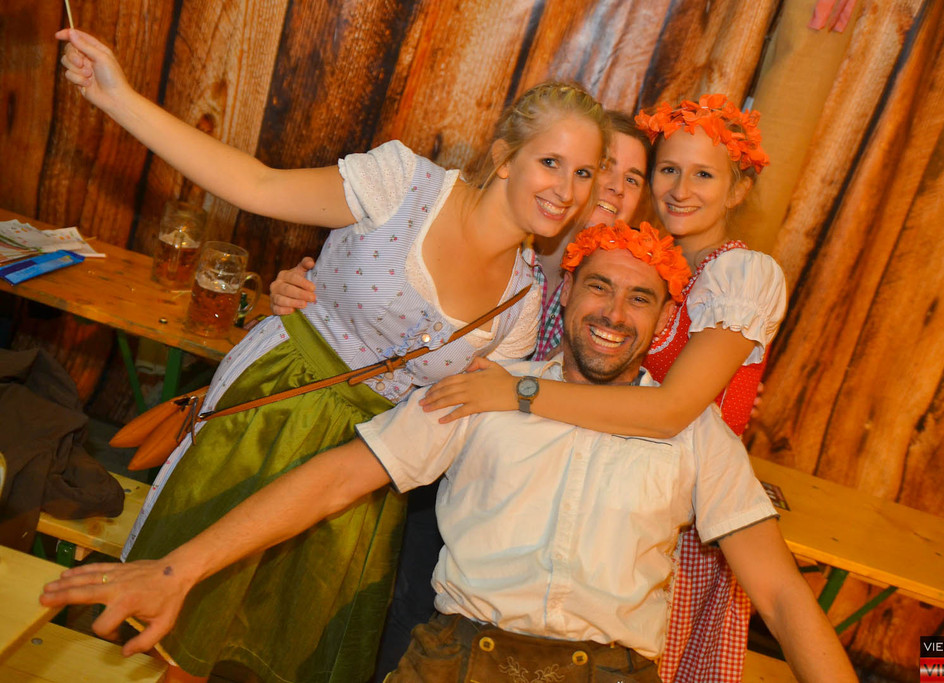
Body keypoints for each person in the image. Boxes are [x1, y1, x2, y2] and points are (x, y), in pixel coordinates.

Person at [41, 221, 855, 682]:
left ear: (665, 319)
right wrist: (175, 569)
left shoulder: (694, 432)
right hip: (459, 661)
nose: (614, 313)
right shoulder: (483, 390)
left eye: (640, 298)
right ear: (566, 292)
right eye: (599, 286)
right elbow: (334, 478)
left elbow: (782, 595)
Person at [56, 27, 608, 682]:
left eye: (583, 172)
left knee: (265, 651)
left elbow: (449, 432)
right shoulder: (403, 183)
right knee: (175, 632)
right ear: (505, 157)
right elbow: (257, 185)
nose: (566, 188)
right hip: (272, 402)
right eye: (551, 162)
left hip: (358, 471)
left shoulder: (522, 303)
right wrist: (116, 97)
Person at [266, 109, 652, 678]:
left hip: (529, 485)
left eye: (633, 177)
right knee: (392, 601)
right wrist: (307, 288)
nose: (613, 186)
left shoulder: (635, 283)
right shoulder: (519, 239)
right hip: (434, 444)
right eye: (603, 168)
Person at [418, 93, 786, 682]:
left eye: (703, 175)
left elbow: (671, 409)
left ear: (738, 190)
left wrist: (516, 393)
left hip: (671, 511)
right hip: (563, 502)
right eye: (669, 170)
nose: (680, 189)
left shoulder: (737, 274)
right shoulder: (620, 264)